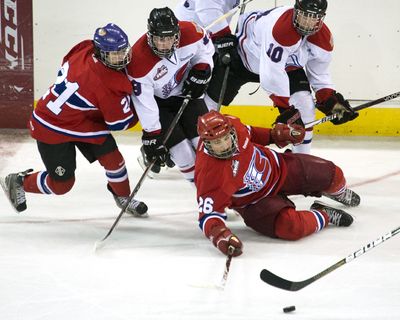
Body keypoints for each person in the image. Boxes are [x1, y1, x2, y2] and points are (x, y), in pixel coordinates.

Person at [0, 23, 148, 217]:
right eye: (115, 54)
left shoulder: (85, 47)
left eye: (123, 51)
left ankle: (123, 197)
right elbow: (121, 124)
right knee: (62, 185)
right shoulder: (107, 84)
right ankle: (19, 181)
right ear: (101, 53)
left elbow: (65, 62)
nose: (122, 57)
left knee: (114, 160)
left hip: (82, 121)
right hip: (50, 126)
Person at [194, 110, 360, 256]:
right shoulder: (209, 172)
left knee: (332, 174)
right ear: (207, 143)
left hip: (279, 167)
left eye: (225, 139)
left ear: (230, 131)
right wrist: (220, 236)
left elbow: (252, 133)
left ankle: (339, 192)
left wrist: (279, 135)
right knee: (291, 227)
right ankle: (324, 214)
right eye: (216, 143)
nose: (224, 146)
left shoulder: (234, 125)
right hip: (256, 204)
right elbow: (208, 215)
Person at [203, 0, 359, 154]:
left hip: (286, 66)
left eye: (314, 17)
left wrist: (330, 100)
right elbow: (271, 76)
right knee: (209, 103)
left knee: (305, 105)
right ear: (295, 10)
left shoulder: (323, 39)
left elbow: (320, 74)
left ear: (321, 18)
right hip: (244, 56)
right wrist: (286, 109)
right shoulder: (281, 30)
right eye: (304, 15)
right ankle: (200, 149)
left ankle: (302, 157)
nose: (307, 22)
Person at [127, 7, 214, 183]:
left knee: (208, 144)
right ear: (150, 36)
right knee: (183, 154)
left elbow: (205, 50)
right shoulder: (138, 62)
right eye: (159, 38)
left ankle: (222, 189)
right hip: (159, 106)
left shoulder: (190, 32)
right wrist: (152, 136)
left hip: (186, 95)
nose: (164, 44)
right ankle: (206, 196)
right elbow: (145, 104)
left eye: (169, 38)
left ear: (177, 34)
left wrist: (203, 69)